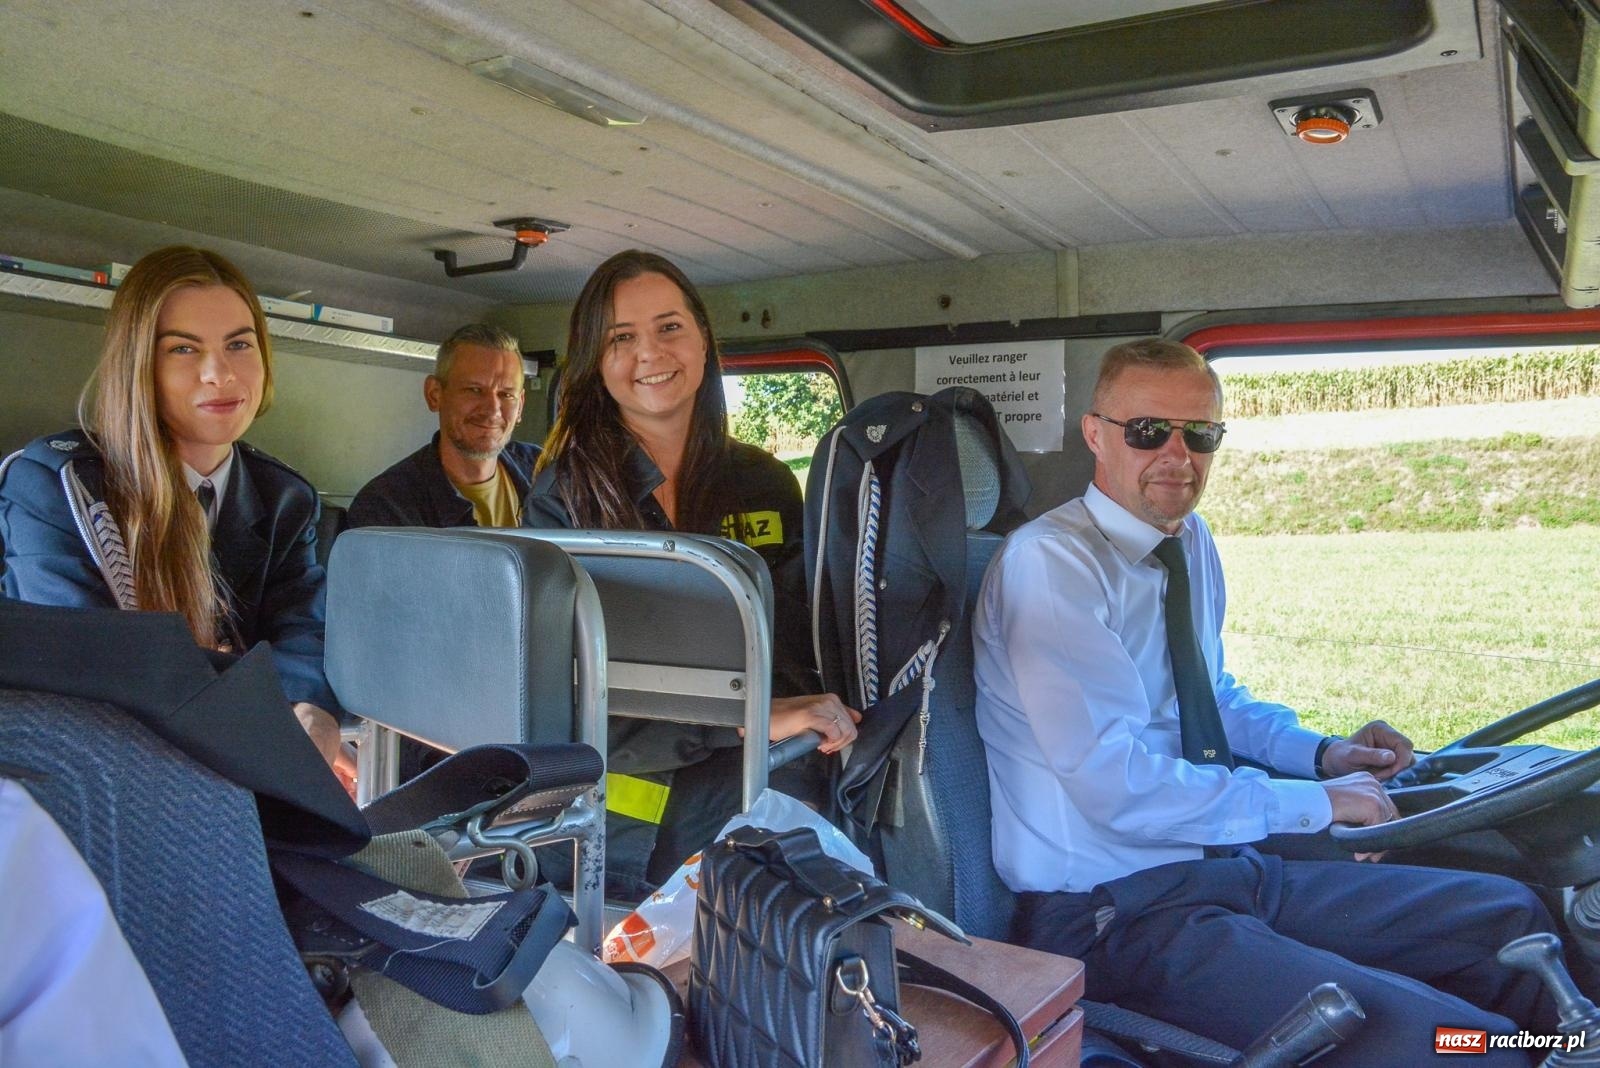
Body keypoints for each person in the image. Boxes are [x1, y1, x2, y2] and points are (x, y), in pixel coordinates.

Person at [973, 338, 1559, 1065]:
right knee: (1463, 1049)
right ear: (1096, 434)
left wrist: (1322, 755)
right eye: (1149, 431)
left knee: (1504, 921)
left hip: (1221, 867)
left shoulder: (1188, 541)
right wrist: (1316, 802)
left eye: (1202, 434)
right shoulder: (1050, 565)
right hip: (1114, 913)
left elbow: (1210, 696)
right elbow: (1113, 786)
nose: (1178, 456)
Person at [527, 249, 859, 889]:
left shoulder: (763, 481)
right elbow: (564, 695)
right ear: (597, 363)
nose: (650, 353)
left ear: (704, 340)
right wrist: (749, 717)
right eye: (622, 337)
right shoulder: (564, 498)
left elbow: (793, 647)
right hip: (627, 826)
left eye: (669, 327)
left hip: (764, 783)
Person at [0, 246, 348, 777]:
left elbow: (304, 627)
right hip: (86, 777)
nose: (220, 373)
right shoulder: (58, 486)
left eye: (239, 344)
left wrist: (312, 710)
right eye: (184, 350)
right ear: (139, 365)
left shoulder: (285, 498)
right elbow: (87, 669)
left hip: (236, 771)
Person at [347, 323, 539, 529]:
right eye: (474, 390)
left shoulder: (546, 474)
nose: (493, 410)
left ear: (520, 407)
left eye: (506, 394)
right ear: (434, 395)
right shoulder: (386, 506)